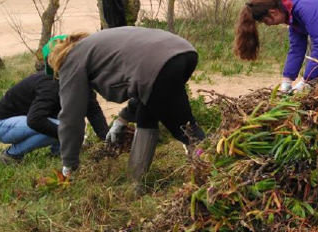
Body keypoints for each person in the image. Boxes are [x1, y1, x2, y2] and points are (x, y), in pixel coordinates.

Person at [45, 26, 205, 187]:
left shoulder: (70, 60)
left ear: (55, 60)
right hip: (182, 52)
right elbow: (145, 87)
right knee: (148, 114)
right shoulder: (93, 46)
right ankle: (136, 180)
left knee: (186, 131)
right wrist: (122, 119)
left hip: (158, 65)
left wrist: (69, 165)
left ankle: (213, 172)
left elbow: (71, 117)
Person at [0, 69, 108, 164]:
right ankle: (11, 155)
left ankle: (58, 152)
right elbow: (35, 120)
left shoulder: (81, 82)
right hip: (0, 124)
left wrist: (108, 141)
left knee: (70, 126)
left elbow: (93, 112)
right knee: (65, 129)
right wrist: (69, 136)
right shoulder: (51, 84)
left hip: (25, 120)